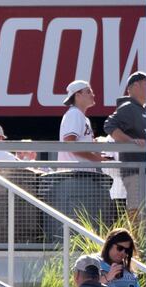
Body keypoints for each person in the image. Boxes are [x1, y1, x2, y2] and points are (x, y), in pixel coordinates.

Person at [55, 80, 110, 221]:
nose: (93, 94)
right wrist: (97, 158)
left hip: (81, 176)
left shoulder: (82, 117)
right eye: (88, 91)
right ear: (78, 95)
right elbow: (70, 144)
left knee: (84, 221)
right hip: (75, 176)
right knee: (78, 222)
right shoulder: (74, 114)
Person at [102, 72, 146, 215]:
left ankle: (142, 237)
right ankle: (135, 237)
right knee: (135, 210)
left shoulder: (142, 109)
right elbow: (109, 125)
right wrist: (130, 141)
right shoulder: (128, 106)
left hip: (145, 170)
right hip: (135, 171)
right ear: (134, 86)